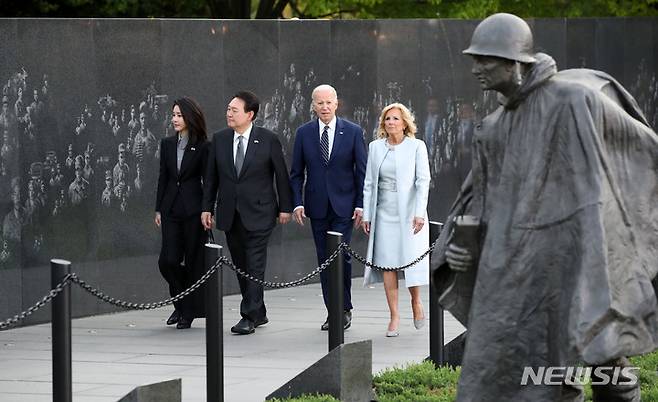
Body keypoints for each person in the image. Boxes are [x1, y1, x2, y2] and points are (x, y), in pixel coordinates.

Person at [432, 13, 658, 401]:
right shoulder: (493, 127)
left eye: (485, 60)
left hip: (581, 251)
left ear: (515, 62)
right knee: (530, 371)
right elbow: (479, 201)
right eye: (474, 59)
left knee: (603, 355)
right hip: (518, 269)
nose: (476, 69)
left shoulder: (574, 100)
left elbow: (637, 153)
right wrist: (459, 247)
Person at [202, 90, 292, 335]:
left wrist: (285, 207)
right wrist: (206, 208)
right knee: (241, 264)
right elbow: (211, 178)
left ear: (249, 114)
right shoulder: (219, 139)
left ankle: (248, 316)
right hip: (230, 213)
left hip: (261, 213)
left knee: (255, 264)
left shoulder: (268, 139)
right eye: (228, 109)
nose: (228, 113)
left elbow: (281, 175)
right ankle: (259, 311)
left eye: (234, 110)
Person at [289, 84, 367, 331]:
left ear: (336, 104)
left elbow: (362, 172)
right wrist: (297, 203)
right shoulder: (303, 133)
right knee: (324, 259)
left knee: (341, 257)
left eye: (328, 102)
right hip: (317, 206)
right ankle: (332, 311)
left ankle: (344, 308)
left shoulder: (353, 132)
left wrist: (360, 205)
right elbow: (296, 173)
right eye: (319, 103)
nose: (324, 107)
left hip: (344, 206)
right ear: (313, 105)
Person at [361, 103, 430, 337]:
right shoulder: (375, 147)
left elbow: (423, 181)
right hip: (383, 212)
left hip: (410, 212)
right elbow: (369, 183)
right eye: (387, 119)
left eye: (395, 119)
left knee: (410, 260)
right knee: (388, 263)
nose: (391, 122)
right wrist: (368, 215)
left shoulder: (417, 146)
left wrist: (419, 212)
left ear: (404, 123)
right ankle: (394, 316)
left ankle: (416, 302)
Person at [155, 97, 209, 330]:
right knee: (168, 260)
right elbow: (163, 178)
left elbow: (208, 181)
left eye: (179, 115)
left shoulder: (203, 145)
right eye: (173, 115)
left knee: (194, 261)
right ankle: (182, 302)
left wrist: (208, 209)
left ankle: (186, 311)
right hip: (170, 210)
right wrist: (158, 208)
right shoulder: (167, 144)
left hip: (194, 211)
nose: (175, 119)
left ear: (189, 117)